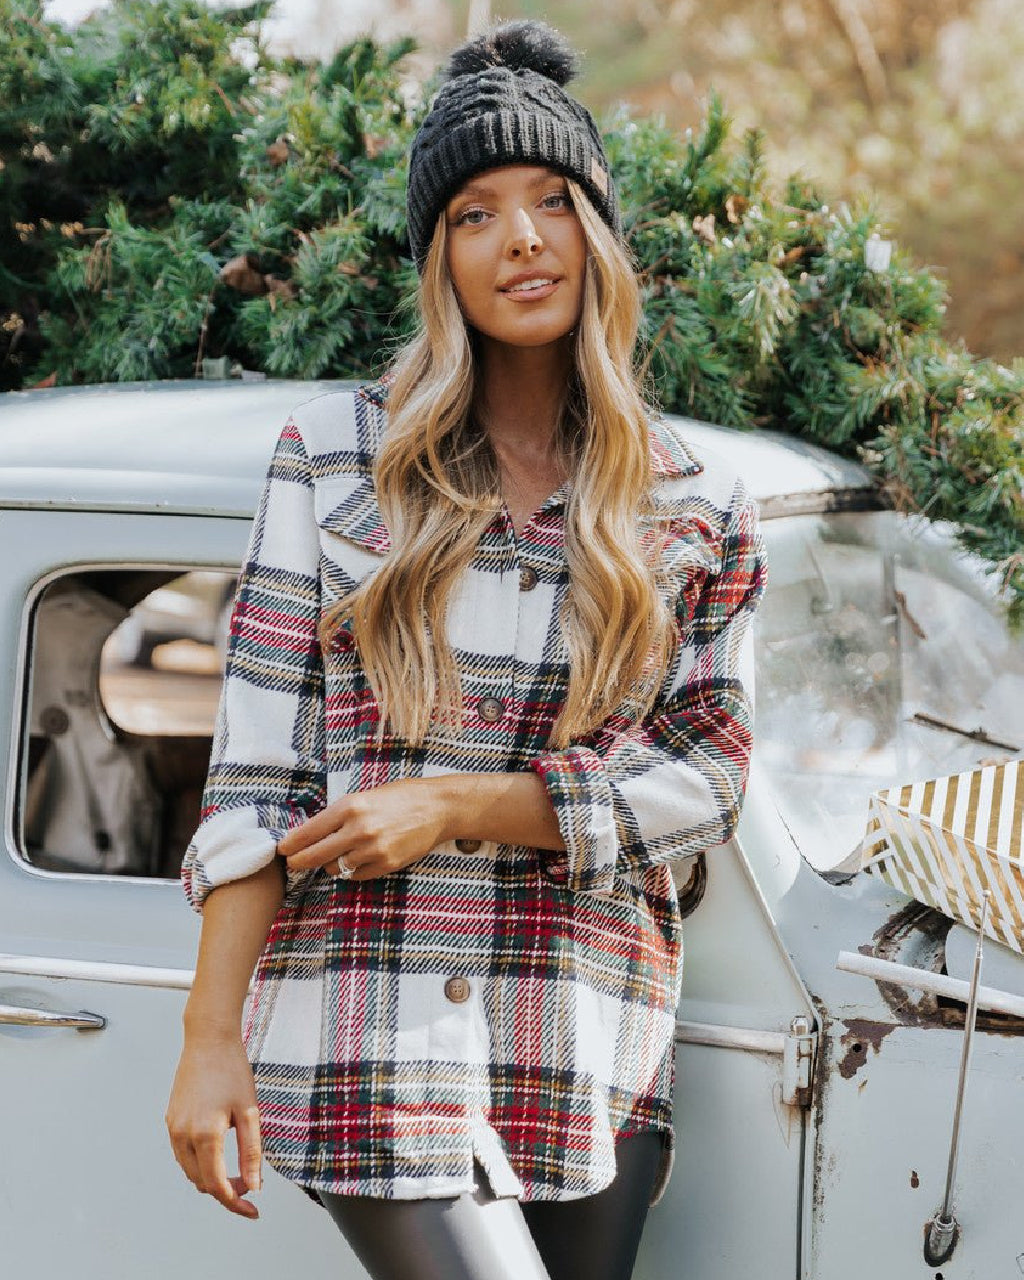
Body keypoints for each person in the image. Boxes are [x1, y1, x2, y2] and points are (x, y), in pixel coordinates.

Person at [166, 20, 767, 1280]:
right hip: (364, 1021)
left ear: (597, 234)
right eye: (476, 214)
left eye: (553, 202)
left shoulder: (699, 498)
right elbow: (257, 771)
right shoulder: (333, 456)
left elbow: (708, 775)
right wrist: (209, 1037)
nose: (523, 238)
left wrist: (462, 804)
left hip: (587, 1031)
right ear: (438, 254)